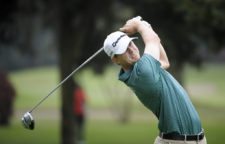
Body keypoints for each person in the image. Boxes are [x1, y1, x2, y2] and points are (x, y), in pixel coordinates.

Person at [103, 16, 207, 144]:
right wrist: (139, 25)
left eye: (130, 43)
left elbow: (164, 61)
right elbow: (153, 40)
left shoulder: (141, 69)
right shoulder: (143, 72)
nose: (131, 49)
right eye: (124, 50)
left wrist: (148, 28)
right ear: (115, 59)